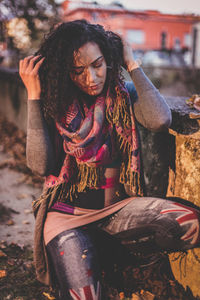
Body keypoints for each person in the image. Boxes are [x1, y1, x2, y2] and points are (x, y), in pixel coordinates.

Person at [19, 20, 200, 300]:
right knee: (86, 295)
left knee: (191, 222)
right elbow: (40, 165)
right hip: (67, 219)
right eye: (78, 71)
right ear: (65, 73)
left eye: (98, 64)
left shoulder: (122, 94)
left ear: (108, 58)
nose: (91, 78)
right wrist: (33, 95)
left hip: (118, 212)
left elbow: (160, 119)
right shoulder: (52, 104)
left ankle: (115, 256)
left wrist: (131, 62)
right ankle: (88, 259)